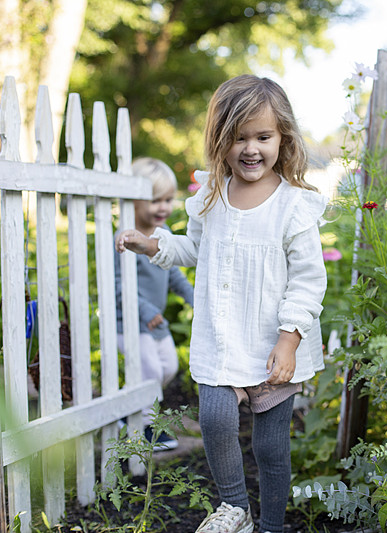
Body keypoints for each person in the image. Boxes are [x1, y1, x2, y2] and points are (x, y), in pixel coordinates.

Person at [115, 75, 327, 533]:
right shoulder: (210, 198)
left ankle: (270, 524)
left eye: (263, 137)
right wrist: (151, 245)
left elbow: (309, 281)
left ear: (282, 138)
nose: (250, 149)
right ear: (220, 141)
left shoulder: (294, 207)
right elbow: (193, 250)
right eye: (238, 137)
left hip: (274, 348)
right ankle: (235, 508)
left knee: (270, 448)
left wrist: (289, 341)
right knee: (213, 419)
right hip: (221, 340)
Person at [114, 157, 194, 451]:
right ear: (135, 201)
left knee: (169, 368)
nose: (163, 207)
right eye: (155, 200)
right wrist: (147, 311)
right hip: (131, 323)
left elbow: (174, 275)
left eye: (168, 199)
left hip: (154, 323)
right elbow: (118, 286)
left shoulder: (164, 238)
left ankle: (125, 409)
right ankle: (146, 427)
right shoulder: (123, 240)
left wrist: (195, 298)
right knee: (150, 371)